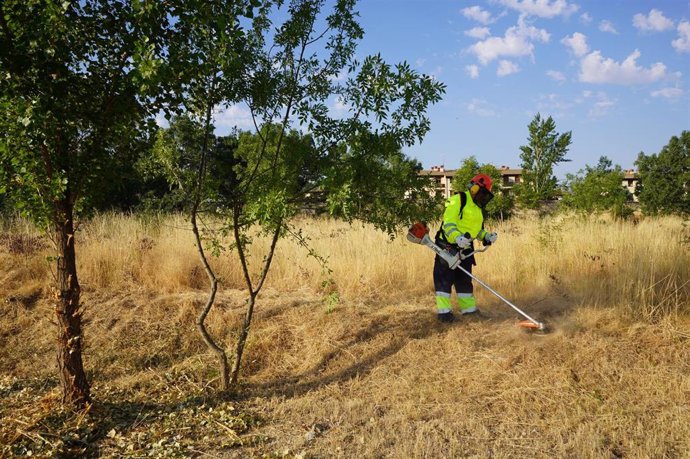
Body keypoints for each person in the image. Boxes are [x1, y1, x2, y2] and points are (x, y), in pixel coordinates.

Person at [433, 173, 498, 323]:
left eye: (485, 195)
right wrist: (457, 237)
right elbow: (448, 224)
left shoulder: (477, 209)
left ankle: (469, 312)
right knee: (444, 279)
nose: (483, 197)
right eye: (482, 193)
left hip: (466, 250)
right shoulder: (458, 200)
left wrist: (487, 236)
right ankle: (444, 314)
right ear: (475, 188)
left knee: (464, 280)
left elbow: (477, 231)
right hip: (448, 246)